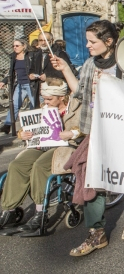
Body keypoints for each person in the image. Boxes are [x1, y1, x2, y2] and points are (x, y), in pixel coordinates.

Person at [50, 20, 124, 257]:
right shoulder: (90, 64)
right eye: (88, 41)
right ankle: (96, 233)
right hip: (96, 132)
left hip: (123, 131)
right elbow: (79, 92)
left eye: (93, 42)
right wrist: (66, 69)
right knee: (92, 179)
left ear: (109, 42)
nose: (88, 45)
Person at [0, 78, 83, 236]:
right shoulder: (43, 108)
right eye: (44, 98)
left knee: (40, 166)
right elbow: (28, 128)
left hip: (65, 146)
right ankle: (9, 210)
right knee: (17, 165)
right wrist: (22, 134)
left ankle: (40, 214)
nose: (46, 101)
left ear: (61, 97)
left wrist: (72, 132)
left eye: (50, 99)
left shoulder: (75, 107)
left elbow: (85, 128)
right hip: (41, 145)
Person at [0, 39, 35, 134]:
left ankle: (34, 127)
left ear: (24, 46)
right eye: (13, 46)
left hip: (31, 84)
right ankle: (7, 125)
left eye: (17, 46)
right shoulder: (13, 57)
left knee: (34, 105)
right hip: (20, 84)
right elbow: (11, 72)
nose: (15, 47)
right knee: (14, 105)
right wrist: (3, 82)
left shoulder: (30, 55)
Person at [30, 32, 73, 107]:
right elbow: (33, 68)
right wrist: (31, 74)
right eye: (41, 40)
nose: (43, 43)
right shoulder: (37, 54)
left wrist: (47, 76)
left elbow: (67, 71)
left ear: (51, 41)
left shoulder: (60, 54)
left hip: (56, 91)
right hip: (42, 91)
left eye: (46, 40)